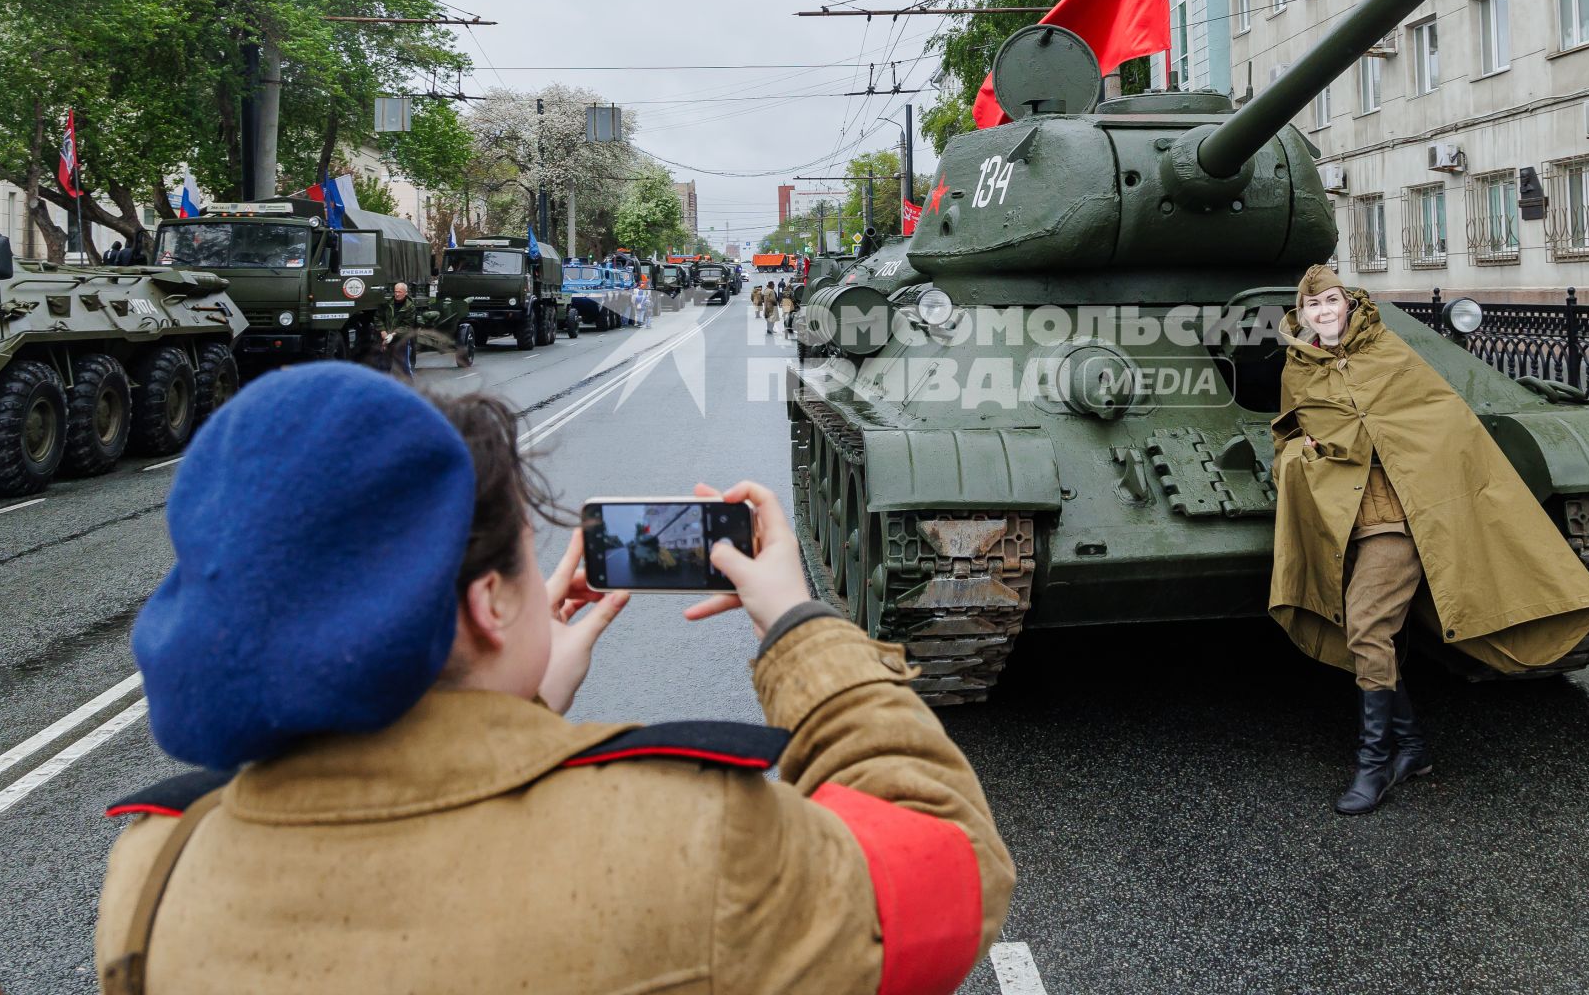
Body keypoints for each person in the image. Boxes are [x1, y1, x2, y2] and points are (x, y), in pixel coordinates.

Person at [96, 364, 1014, 992]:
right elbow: (949, 867)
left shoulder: (154, 874)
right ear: (489, 605)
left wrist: (512, 703)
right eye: (527, 564)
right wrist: (800, 627)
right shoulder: (696, 841)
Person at [1269, 265, 1589, 815]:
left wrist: (1368, 440)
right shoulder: (1300, 366)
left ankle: (1373, 763)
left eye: (1332, 300)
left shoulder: (1391, 352)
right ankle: (1412, 749)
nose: (1325, 311)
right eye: (1314, 306)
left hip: (1397, 514)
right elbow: (1287, 430)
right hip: (1336, 515)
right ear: (1302, 315)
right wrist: (1300, 452)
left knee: (1366, 623)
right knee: (1371, 631)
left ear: (1349, 304)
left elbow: (1440, 421)